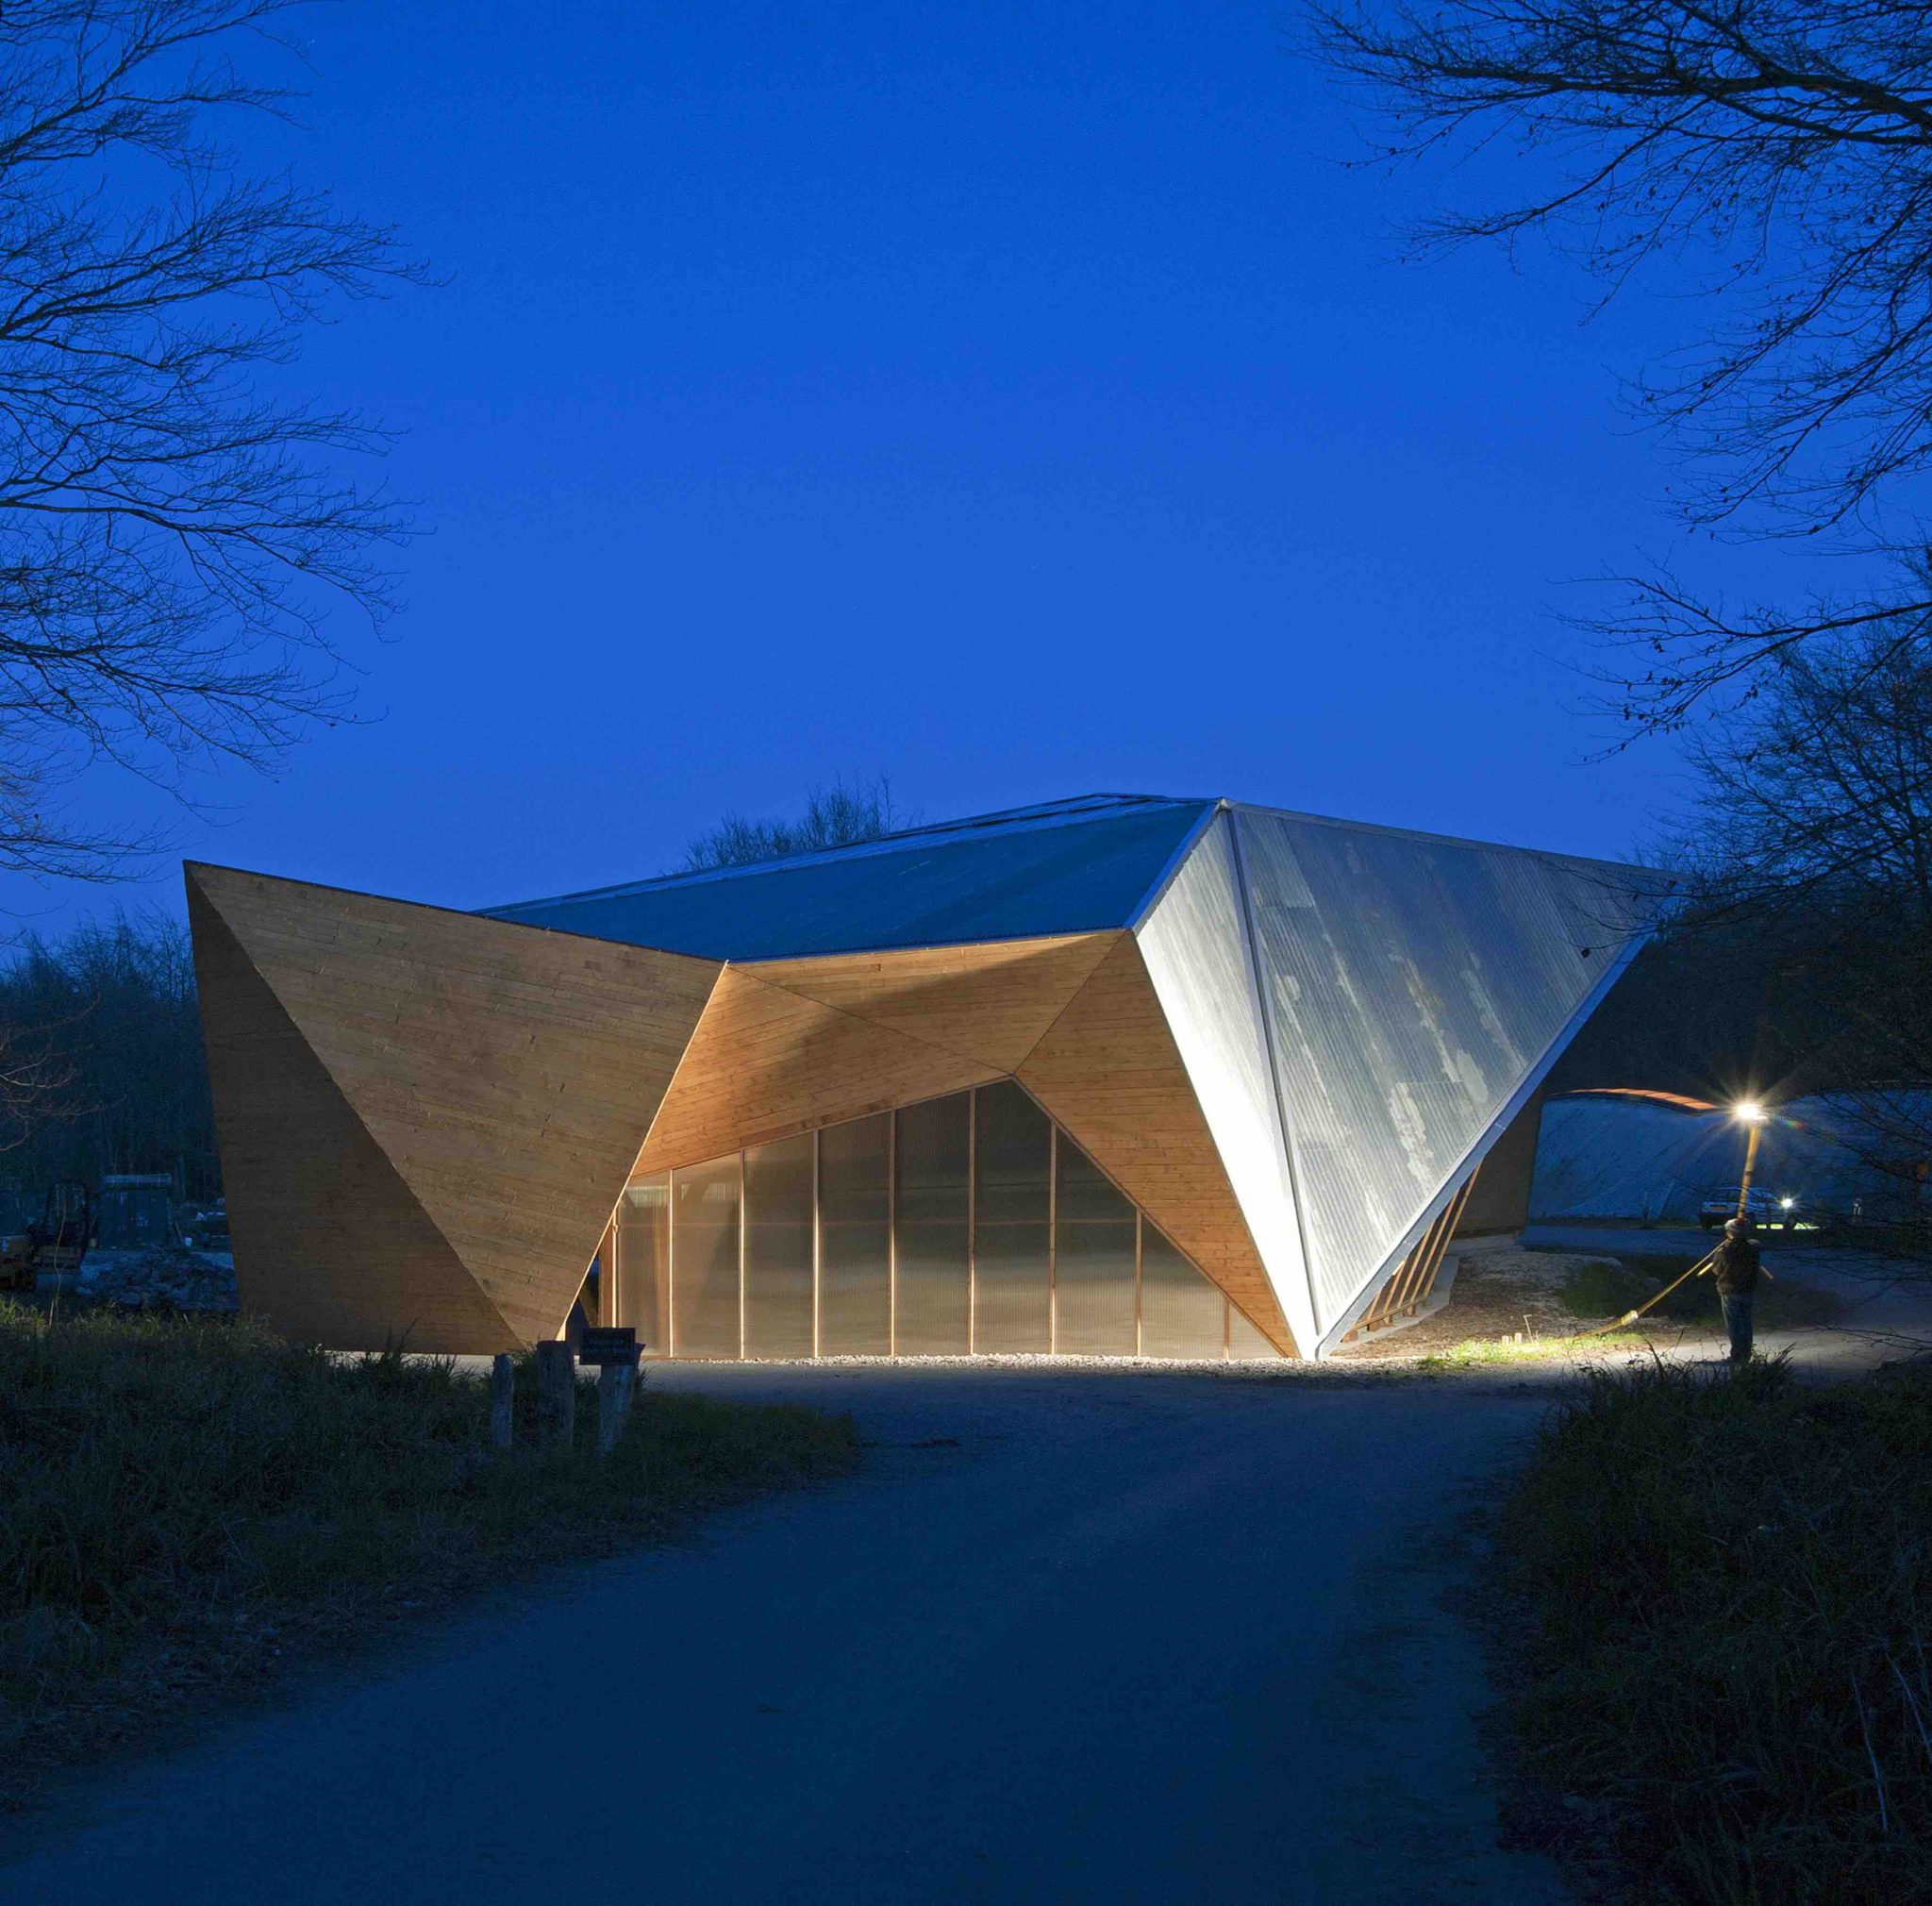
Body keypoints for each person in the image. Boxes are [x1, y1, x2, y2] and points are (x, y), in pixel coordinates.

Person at [1710, 1214, 1762, 1366]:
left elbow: (1717, 1270)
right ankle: (1746, 1353)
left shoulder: (1724, 1251)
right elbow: (1756, 1244)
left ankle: (1737, 1354)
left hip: (1729, 1290)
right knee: (1746, 1322)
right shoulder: (1753, 1248)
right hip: (1748, 1289)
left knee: (1734, 1324)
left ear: (1730, 1233)